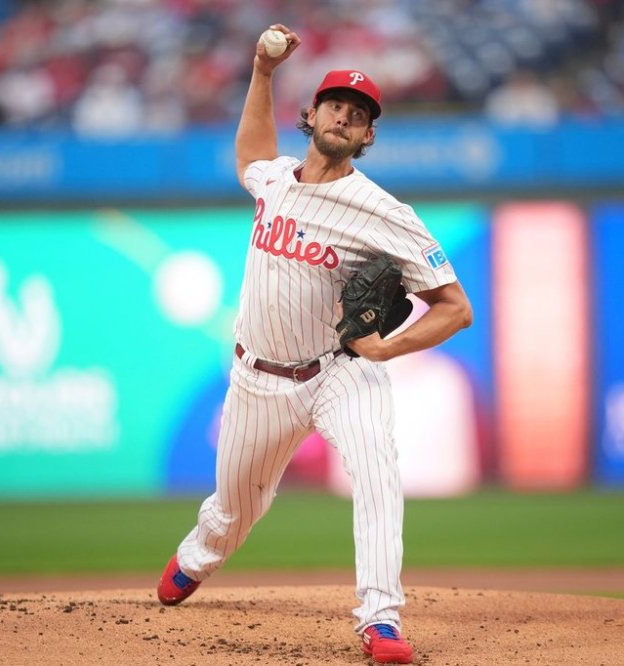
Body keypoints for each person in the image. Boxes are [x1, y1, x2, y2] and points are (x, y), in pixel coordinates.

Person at [156, 23, 473, 665]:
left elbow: (455, 308)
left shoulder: (386, 213)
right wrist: (262, 72)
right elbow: (248, 159)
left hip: (338, 372)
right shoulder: (275, 179)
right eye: (336, 104)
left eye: (359, 114)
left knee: (378, 470)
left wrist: (387, 350)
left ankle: (380, 620)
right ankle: (199, 553)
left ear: (368, 135)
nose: (346, 116)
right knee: (236, 508)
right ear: (313, 115)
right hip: (257, 378)